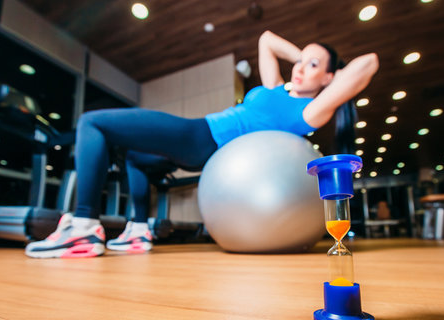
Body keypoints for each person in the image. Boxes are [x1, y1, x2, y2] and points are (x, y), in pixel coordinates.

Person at [25, 30, 379, 258]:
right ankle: (136, 231)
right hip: (207, 142)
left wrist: (322, 70)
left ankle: (83, 226)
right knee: (135, 157)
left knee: (92, 122)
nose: (301, 67)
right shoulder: (275, 88)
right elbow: (267, 39)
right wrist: (305, 56)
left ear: (331, 77)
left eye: (313, 65)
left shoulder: (312, 110)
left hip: (203, 138)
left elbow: (369, 62)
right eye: (299, 62)